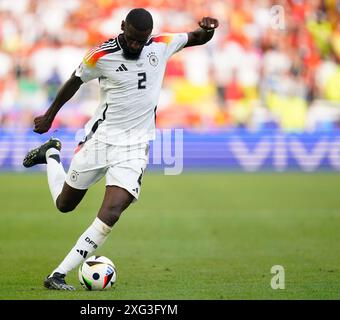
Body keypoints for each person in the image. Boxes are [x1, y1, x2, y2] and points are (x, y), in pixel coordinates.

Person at [23, 8, 218, 290]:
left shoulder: (161, 46)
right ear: (122, 26)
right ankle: (51, 154)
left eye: (142, 40)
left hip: (135, 148)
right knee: (65, 205)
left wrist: (208, 30)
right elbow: (74, 81)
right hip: (100, 141)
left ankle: (58, 274)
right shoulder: (100, 55)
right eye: (131, 38)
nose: (136, 45)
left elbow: (197, 37)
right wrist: (51, 115)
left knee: (112, 211)